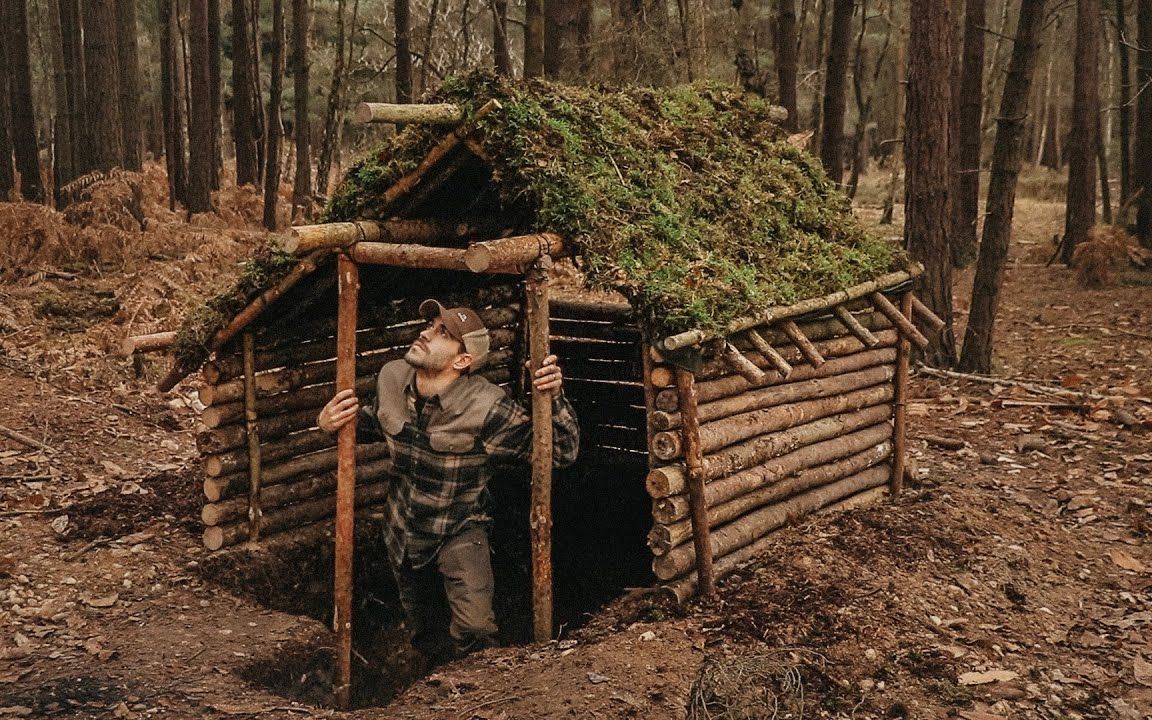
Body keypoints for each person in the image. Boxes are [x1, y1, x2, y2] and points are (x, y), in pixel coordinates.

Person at [317, 299, 579, 660]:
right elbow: (374, 421)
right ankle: (434, 682)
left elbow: (561, 452)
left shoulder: (487, 406)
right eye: (430, 325)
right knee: (425, 629)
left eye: (443, 333)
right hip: (402, 528)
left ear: (462, 360)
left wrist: (554, 397)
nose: (426, 333)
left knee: (474, 628)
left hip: (458, 527)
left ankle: (480, 686)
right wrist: (328, 423)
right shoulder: (392, 377)